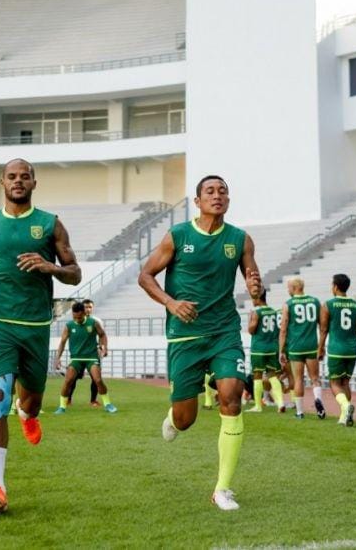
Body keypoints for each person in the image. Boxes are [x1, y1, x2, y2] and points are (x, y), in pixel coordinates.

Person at [0, 158, 82, 514]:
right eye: (11, 177)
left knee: (27, 402)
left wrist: (50, 267)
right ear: (2, 182)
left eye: (24, 177)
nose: (18, 181)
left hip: (35, 327)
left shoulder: (50, 224)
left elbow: (75, 274)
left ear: (34, 182)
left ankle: (28, 414)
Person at [138, 174, 262, 511]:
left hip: (224, 331)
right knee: (186, 418)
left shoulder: (240, 239)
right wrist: (171, 303)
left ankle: (222, 489)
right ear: (197, 201)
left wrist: (256, 293)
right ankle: (174, 418)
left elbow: (255, 283)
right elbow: (145, 276)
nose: (217, 195)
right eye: (210, 191)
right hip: (186, 335)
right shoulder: (178, 236)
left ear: (228, 200)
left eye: (223, 191)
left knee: (232, 398)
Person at [317, 274, 356, 426]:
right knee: (345, 382)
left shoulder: (328, 304)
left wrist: (320, 349)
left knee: (334, 382)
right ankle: (344, 416)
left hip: (336, 349)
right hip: (352, 350)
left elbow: (324, 330)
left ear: (335, 287)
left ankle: (345, 407)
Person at [53, 301, 117, 414]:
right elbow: (62, 342)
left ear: (84, 313)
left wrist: (104, 347)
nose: (76, 319)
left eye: (79, 317)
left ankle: (108, 404)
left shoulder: (93, 323)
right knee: (68, 380)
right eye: (74, 317)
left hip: (91, 357)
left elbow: (102, 335)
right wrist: (58, 358)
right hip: (76, 359)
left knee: (97, 380)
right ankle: (62, 407)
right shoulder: (69, 326)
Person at [278, 277, 325, 420]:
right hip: (311, 346)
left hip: (296, 347)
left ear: (294, 287)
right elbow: (322, 325)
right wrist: (321, 346)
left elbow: (284, 329)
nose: (288, 290)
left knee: (298, 379)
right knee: (315, 378)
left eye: (288, 287)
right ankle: (318, 402)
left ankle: (299, 412)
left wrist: (281, 350)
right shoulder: (315, 301)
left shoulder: (288, 304)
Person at [246, 290, 285, 413]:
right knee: (272, 375)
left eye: (253, 298)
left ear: (258, 298)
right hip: (272, 347)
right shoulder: (274, 311)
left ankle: (258, 405)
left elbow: (251, 330)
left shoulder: (256, 312)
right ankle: (280, 403)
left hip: (259, 348)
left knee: (257, 376)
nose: (252, 300)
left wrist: (250, 319)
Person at [66, 298, 102, 407]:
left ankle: (93, 401)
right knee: (73, 378)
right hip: (79, 355)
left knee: (95, 378)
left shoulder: (97, 322)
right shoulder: (74, 322)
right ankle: (68, 399)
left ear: (93, 308)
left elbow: (101, 335)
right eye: (86, 307)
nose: (88, 309)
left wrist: (101, 347)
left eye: (90, 307)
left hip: (92, 354)